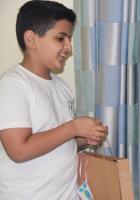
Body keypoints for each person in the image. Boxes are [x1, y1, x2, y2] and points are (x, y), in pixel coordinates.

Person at [0, 1, 108, 199]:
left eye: (69, 39)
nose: (68, 47)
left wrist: (84, 138)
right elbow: (19, 150)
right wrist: (74, 127)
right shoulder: (12, 84)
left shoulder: (60, 86)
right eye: (61, 38)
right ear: (31, 40)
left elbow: (59, 142)